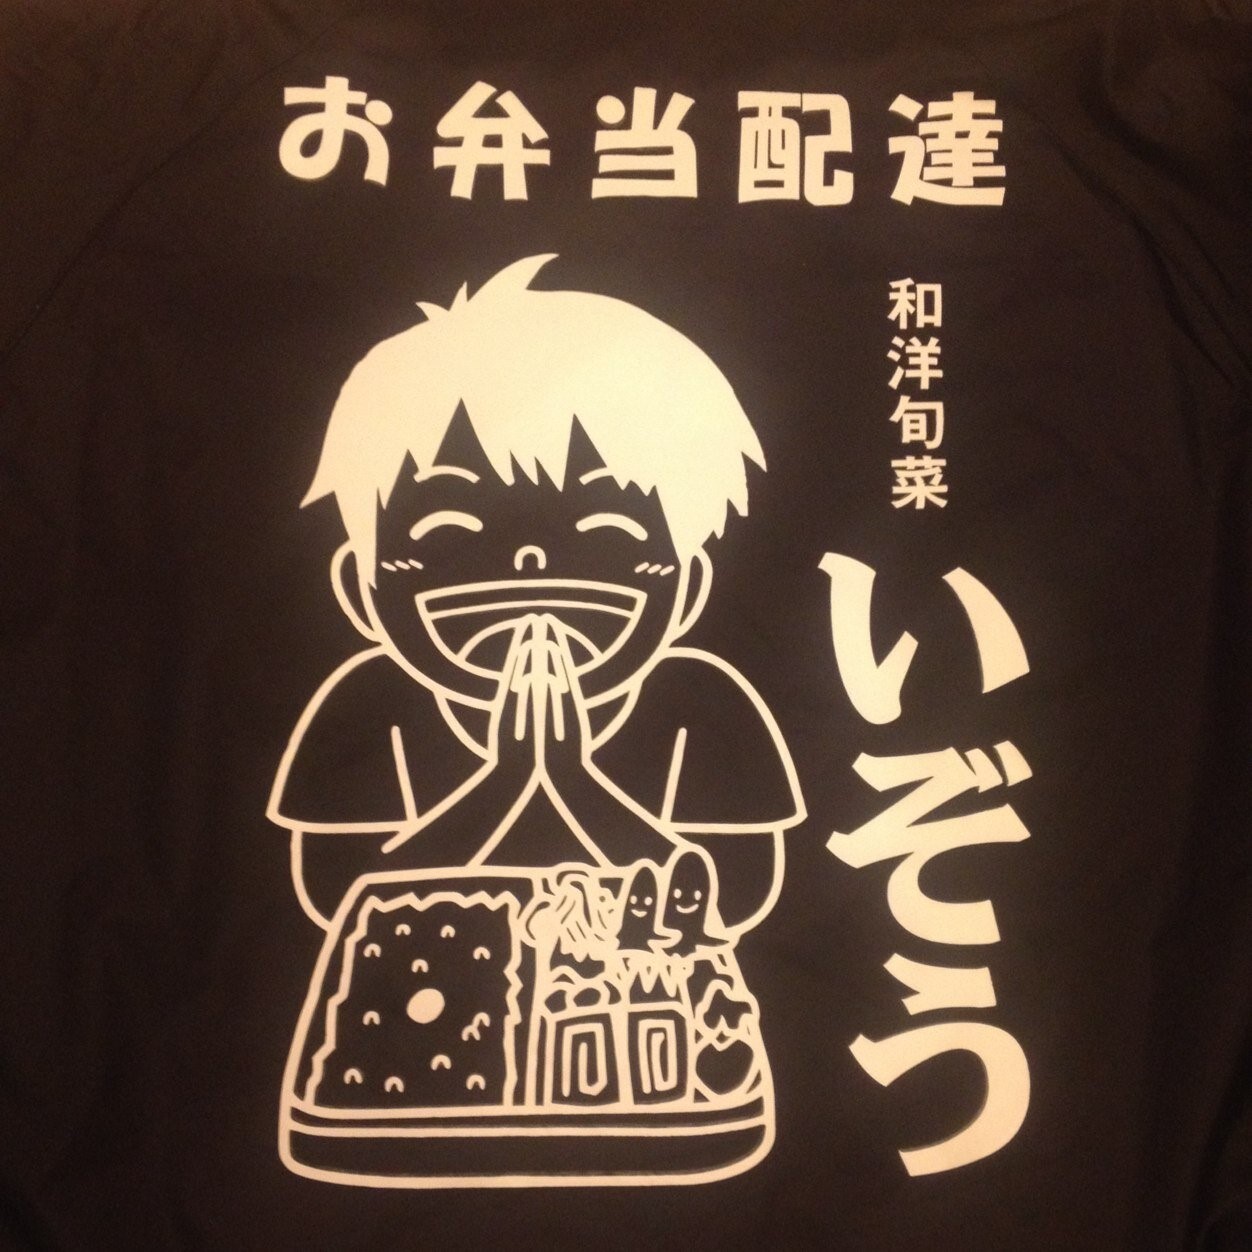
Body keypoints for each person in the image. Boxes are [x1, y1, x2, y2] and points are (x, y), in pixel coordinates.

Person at [268, 254, 804, 929]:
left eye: (608, 528)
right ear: (361, 591)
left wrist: (575, 783)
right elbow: (344, 904)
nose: (531, 558)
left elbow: (731, 906)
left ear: (688, 588)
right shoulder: (371, 702)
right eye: (447, 528)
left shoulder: (701, 703)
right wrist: (506, 782)